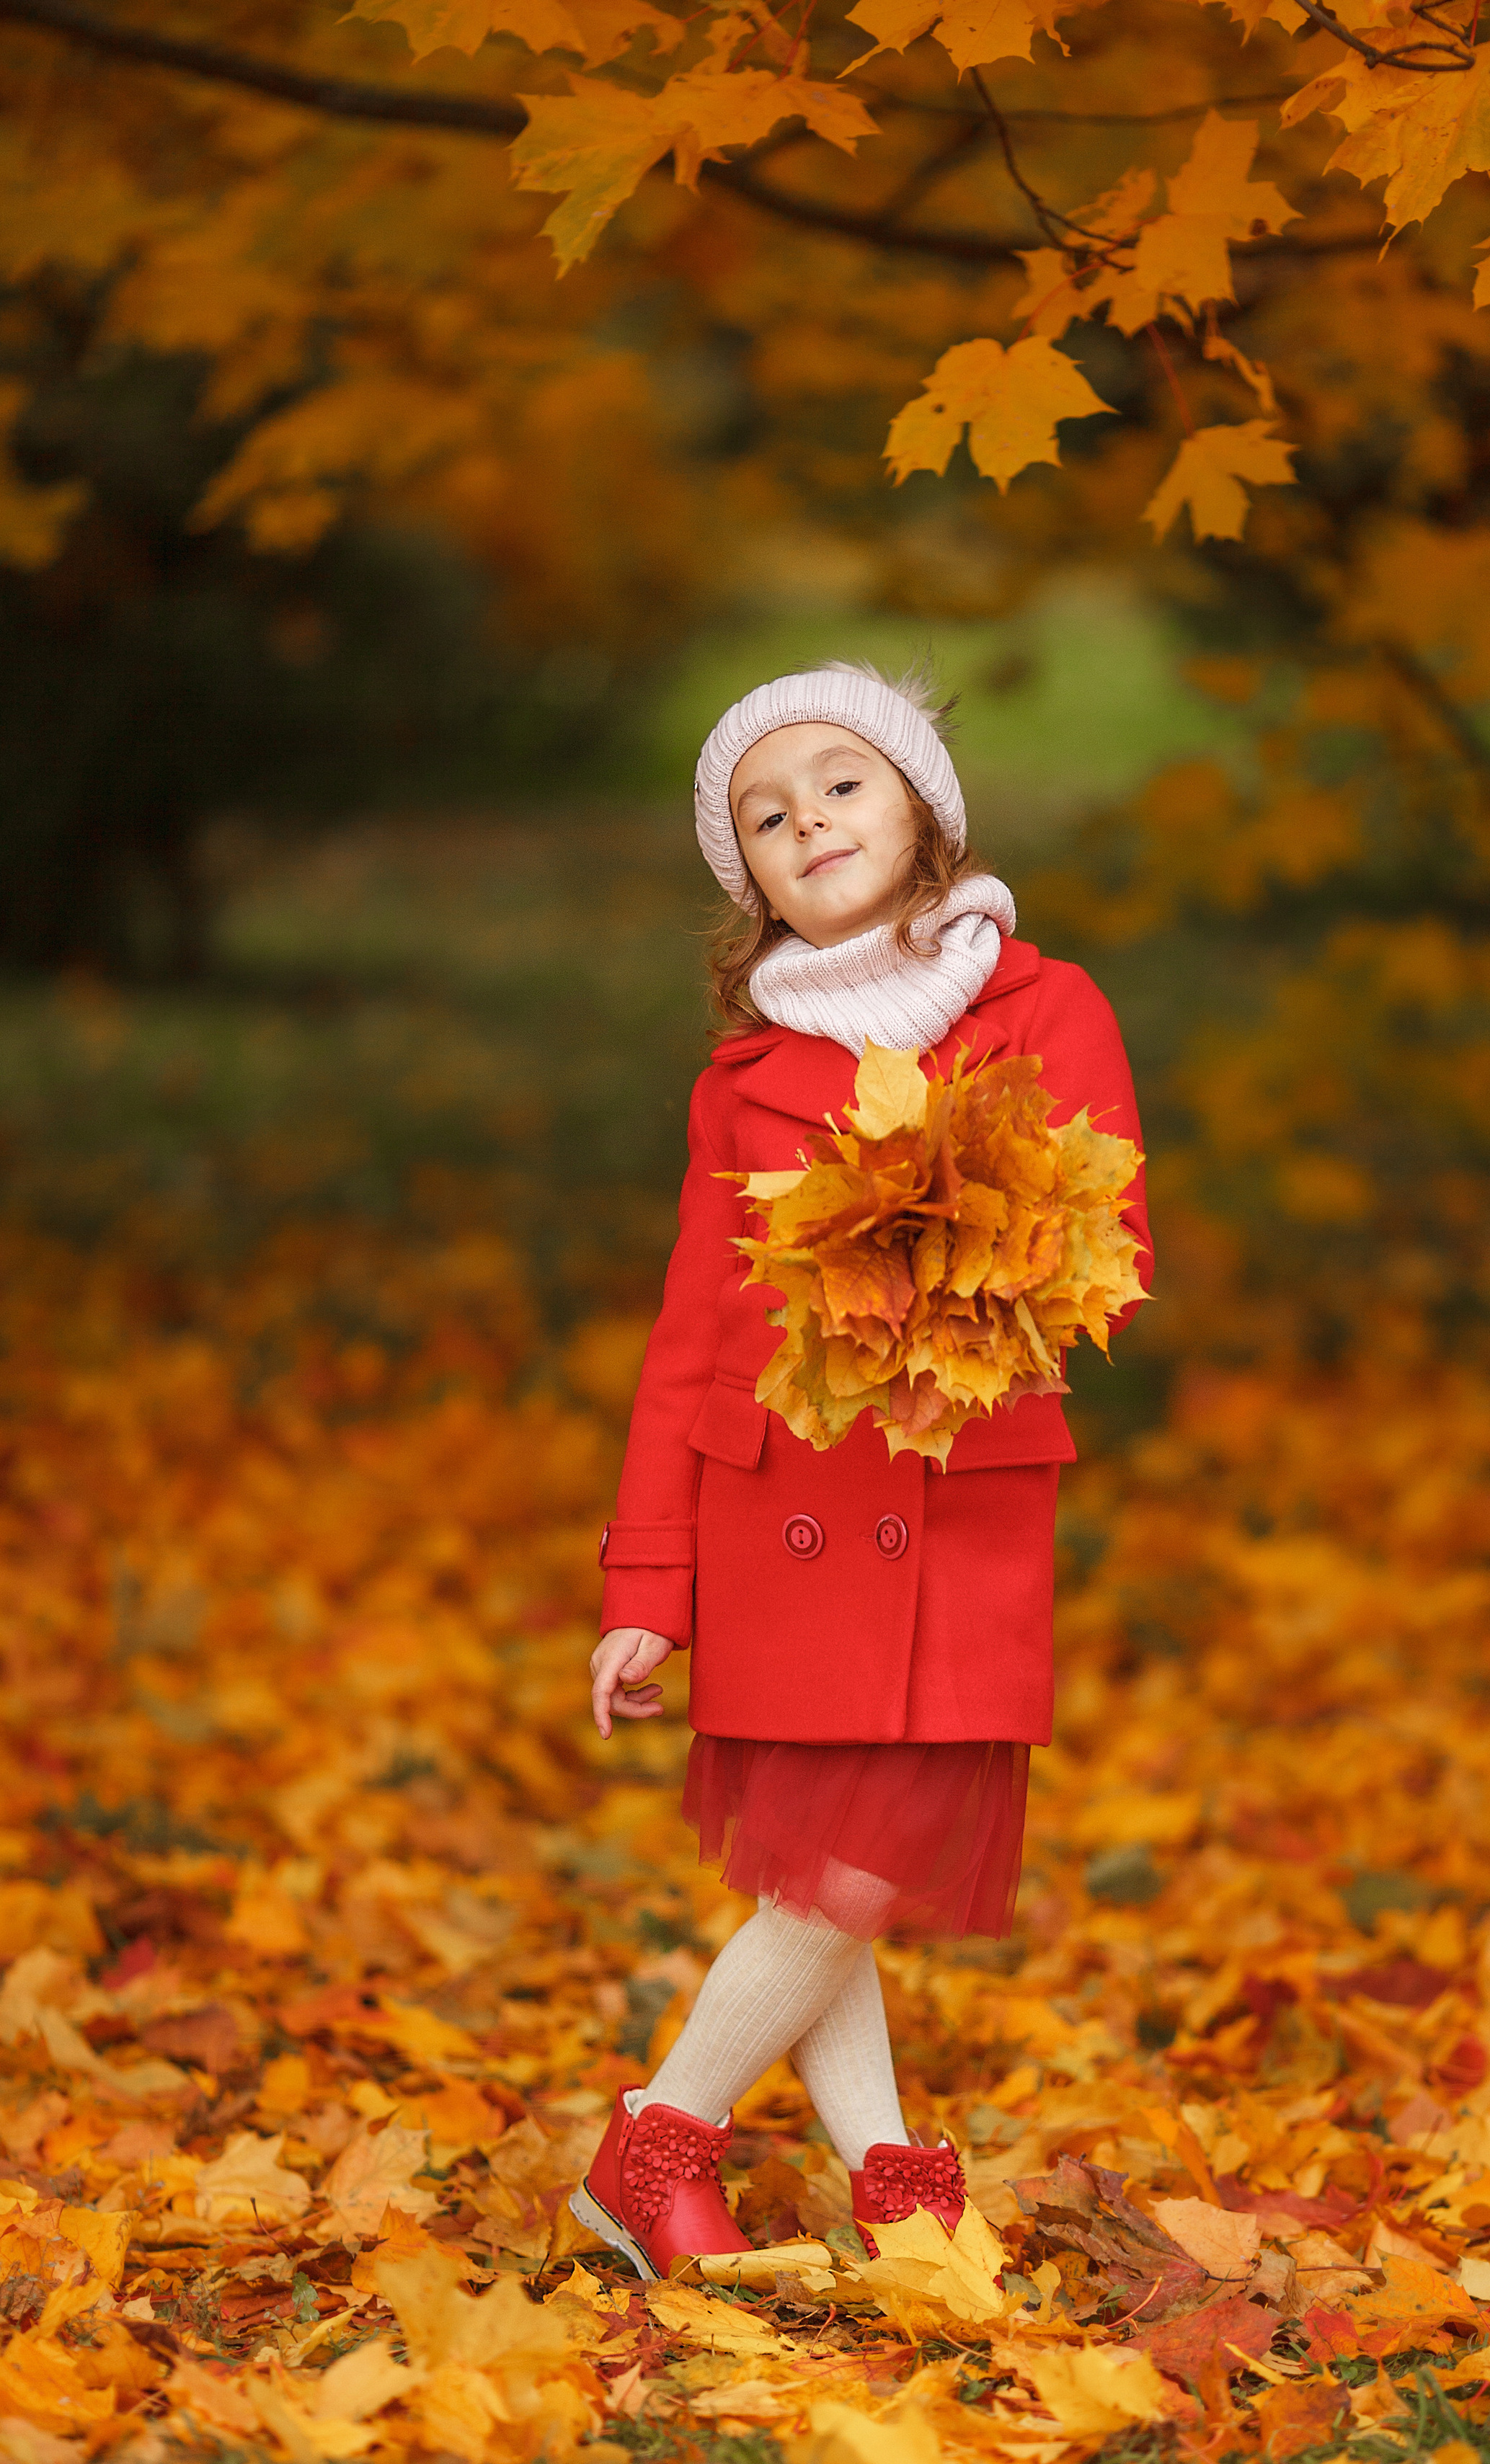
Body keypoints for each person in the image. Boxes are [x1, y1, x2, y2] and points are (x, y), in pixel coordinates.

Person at [569, 661, 1151, 2278]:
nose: (806, 818)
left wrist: (947, 1262)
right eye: (765, 813)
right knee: (839, 1874)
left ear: (921, 811)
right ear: (742, 876)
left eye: (840, 782)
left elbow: (1112, 1246)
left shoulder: (1046, 1011)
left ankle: (668, 2149)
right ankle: (875, 2189)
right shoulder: (743, 1084)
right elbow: (689, 1349)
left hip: (961, 1510)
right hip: (784, 1520)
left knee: (853, 1870)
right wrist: (646, 1588)